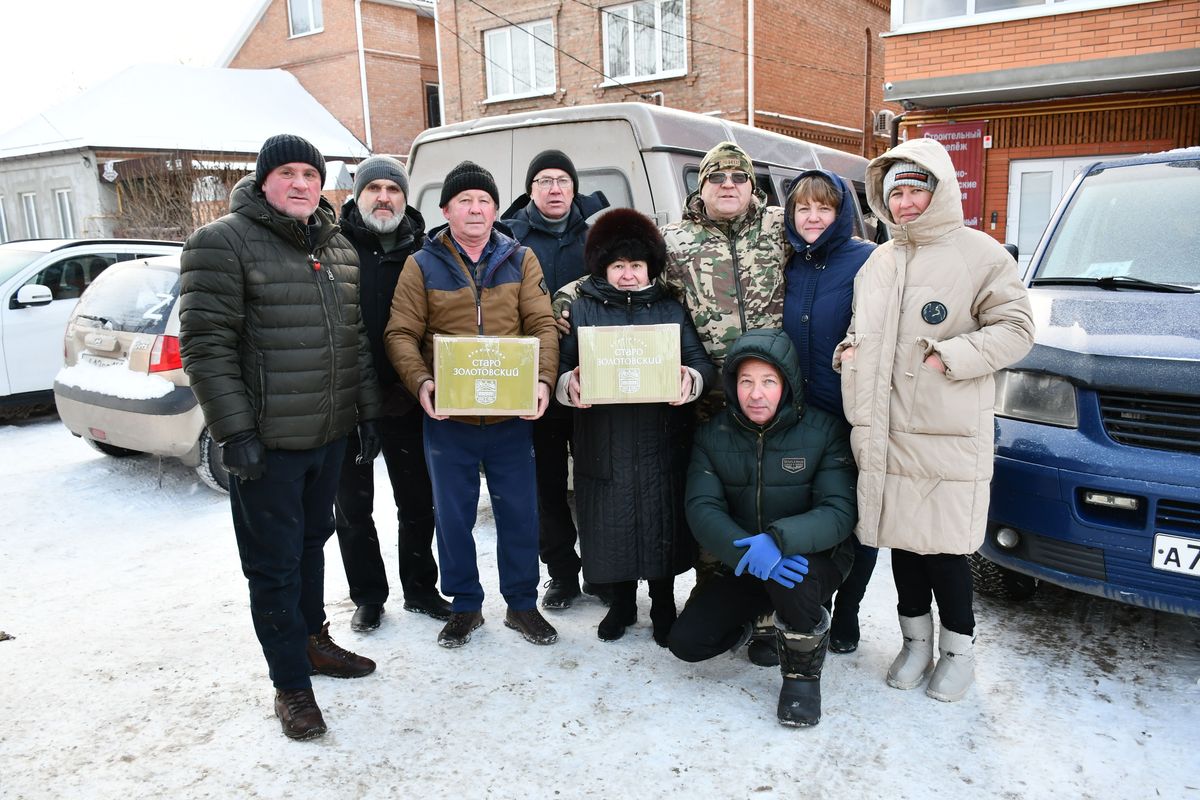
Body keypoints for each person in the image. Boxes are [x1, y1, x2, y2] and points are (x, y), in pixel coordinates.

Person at [179, 134, 383, 741]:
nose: (300, 183)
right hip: (266, 442)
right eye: (287, 173)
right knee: (273, 565)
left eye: (310, 174)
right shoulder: (221, 242)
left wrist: (366, 412)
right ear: (263, 180)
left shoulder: (337, 245)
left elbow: (353, 340)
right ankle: (290, 685)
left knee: (312, 544)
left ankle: (313, 640)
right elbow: (205, 346)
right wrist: (234, 430)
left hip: (328, 433)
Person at [834, 137, 1034, 702]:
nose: (904, 203)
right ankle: (915, 643)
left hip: (945, 433)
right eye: (895, 193)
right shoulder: (878, 262)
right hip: (886, 431)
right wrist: (850, 352)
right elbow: (862, 328)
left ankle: (958, 653)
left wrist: (950, 356)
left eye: (915, 191)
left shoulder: (980, 255)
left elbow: (1017, 329)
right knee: (903, 545)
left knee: (944, 550)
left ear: (939, 192)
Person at [383, 160, 561, 649]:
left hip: (510, 415)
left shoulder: (521, 259)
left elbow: (542, 325)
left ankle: (522, 605)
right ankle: (465, 605)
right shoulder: (422, 264)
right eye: (465, 200)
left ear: (496, 209)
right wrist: (421, 382)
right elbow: (400, 333)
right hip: (450, 417)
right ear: (446, 210)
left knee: (519, 513)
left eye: (484, 200)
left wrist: (543, 380)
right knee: (452, 516)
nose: (476, 209)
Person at [668, 328, 857, 727]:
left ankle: (802, 678)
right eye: (746, 382)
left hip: (809, 561)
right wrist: (747, 551)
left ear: (787, 384)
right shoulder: (713, 434)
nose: (756, 394)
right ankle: (753, 622)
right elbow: (702, 508)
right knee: (687, 643)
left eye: (768, 381)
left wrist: (778, 540)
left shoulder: (823, 432)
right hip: (748, 561)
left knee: (794, 582)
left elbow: (839, 511)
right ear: (732, 385)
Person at [555, 208, 716, 644]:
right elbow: (559, 368)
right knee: (613, 526)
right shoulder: (581, 310)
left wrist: (690, 380)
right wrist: (570, 384)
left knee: (660, 525)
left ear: (650, 267)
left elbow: (701, 362)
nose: (628, 275)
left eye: (637, 265)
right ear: (603, 267)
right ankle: (622, 604)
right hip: (602, 441)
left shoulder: (669, 308)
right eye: (618, 266)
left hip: (660, 441)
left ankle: (663, 604)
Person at [334, 155, 451, 633]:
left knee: (418, 502)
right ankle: (367, 596)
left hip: (409, 399)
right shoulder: (333, 246)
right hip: (348, 402)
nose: (384, 198)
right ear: (357, 195)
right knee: (353, 508)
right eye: (374, 188)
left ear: (405, 197)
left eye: (393, 189)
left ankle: (420, 588)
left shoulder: (424, 251)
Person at [501, 149, 609, 611]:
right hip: (538, 379)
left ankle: (604, 571)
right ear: (531, 190)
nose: (554, 189)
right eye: (543, 181)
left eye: (562, 180)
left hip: (594, 376)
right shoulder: (509, 239)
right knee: (546, 483)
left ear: (574, 188)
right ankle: (561, 573)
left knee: (598, 480)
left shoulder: (596, 237)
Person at [781, 170, 877, 654]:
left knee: (860, 517)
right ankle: (811, 600)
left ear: (841, 214)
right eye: (804, 208)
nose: (813, 217)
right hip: (798, 418)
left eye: (824, 208)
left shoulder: (869, 260)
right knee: (809, 514)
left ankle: (849, 609)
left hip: (850, 414)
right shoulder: (787, 262)